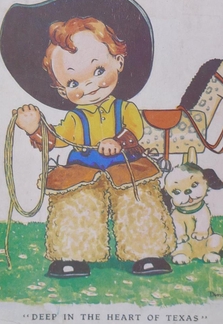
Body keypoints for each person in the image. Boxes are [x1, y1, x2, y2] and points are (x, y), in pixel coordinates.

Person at [14, 17, 175, 278]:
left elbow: (136, 130)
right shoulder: (75, 118)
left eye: (98, 70)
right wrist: (34, 129)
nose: (88, 86)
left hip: (125, 164)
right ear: (62, 91)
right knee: (75, 201)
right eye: (73, 83)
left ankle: (148, 252)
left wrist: (118, 142)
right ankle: (72, 255)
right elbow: (56, 139)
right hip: (84, 168)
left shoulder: (125, 108)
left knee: (138, 197)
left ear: (118, 62)